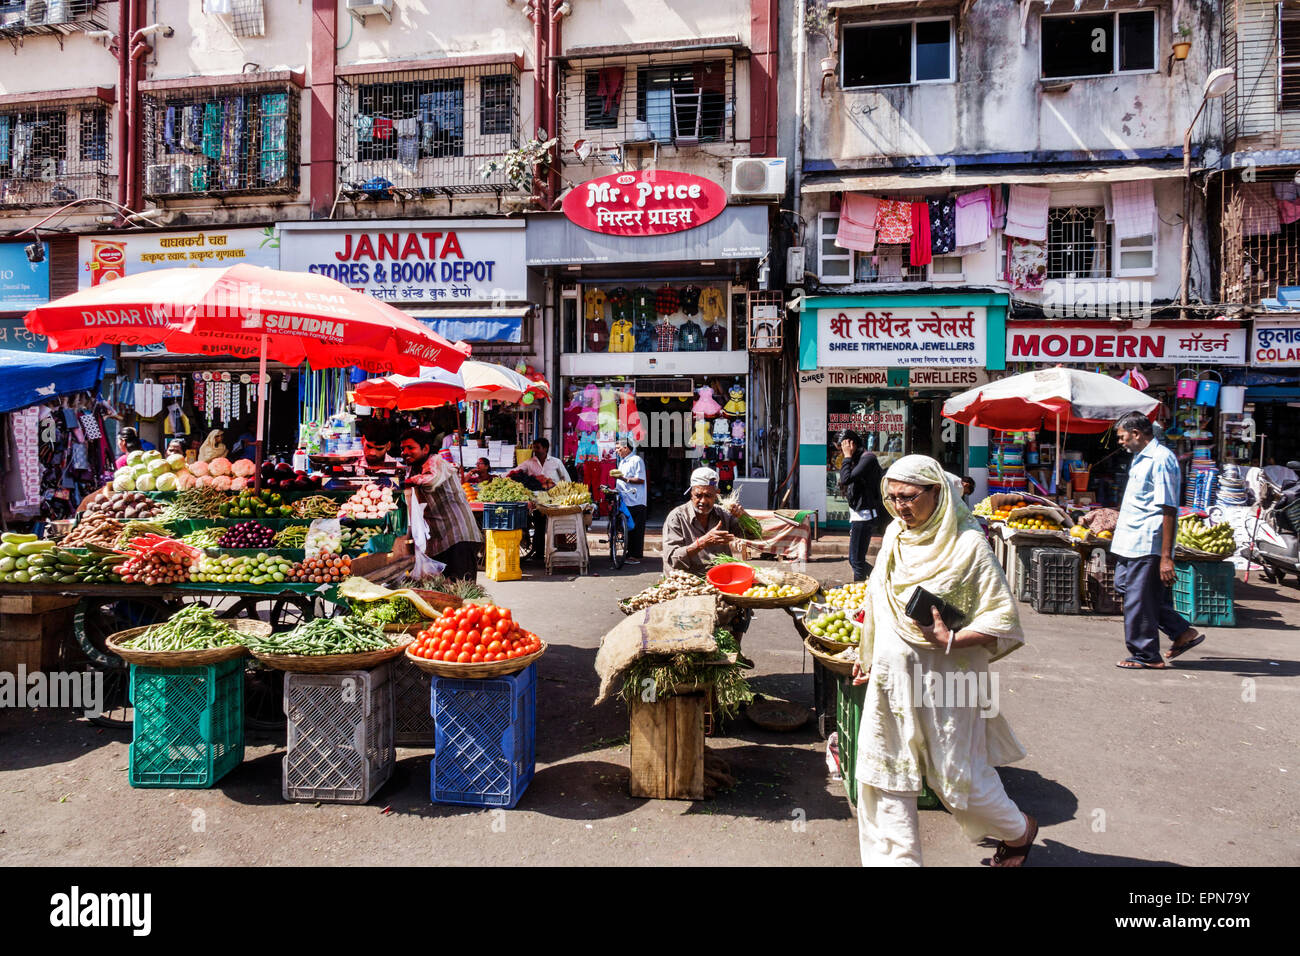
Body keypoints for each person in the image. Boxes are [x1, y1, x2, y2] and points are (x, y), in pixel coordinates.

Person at [851, 454, 1037, 867]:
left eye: (909, 497)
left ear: (938, 492)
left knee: (960, 782)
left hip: (948, 684)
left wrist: (951, 637)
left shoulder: (968, 544)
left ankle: (1019, 830)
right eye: (893, 497)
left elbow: (1003, 619)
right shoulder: (896, 537)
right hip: (890, 681)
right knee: (884, 776)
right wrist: (869, 655)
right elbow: (878, 600)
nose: (901, 506)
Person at [1111, 412, 1204, 668]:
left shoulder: (1161, 459)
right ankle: (1181, 631)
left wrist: (1165, 557)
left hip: (1147, 541)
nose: (1121, 442)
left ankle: (1146, 655)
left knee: (1138, 598)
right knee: (1126, 589)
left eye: (1122, 437)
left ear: (1137, 434)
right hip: (1130, 541)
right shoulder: (1140, 458)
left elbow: (1169, 508)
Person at [399, 428, 482, 582]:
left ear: (425, 448)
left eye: (410, 448)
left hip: (459, 536)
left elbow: (431, 482)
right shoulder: (412, 468)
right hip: (439, 538)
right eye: (402, 448)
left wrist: (404, 483)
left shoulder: (437, 462)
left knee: (462, 587)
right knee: (444, 588)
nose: (405, 452)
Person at [661, 466, 756, 575]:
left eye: (708, 495)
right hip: (685, 580)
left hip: (718, 577)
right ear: (691, 494)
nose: (703, 501)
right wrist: (702, 542)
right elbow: (673, 558)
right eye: (698, 495)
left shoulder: (724, 514)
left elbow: (753, 535)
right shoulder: (676, 517)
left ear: (716, 494)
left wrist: (744, 517)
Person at [837, 429, 883, 582]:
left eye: (843, 447)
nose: (842, 451)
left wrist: (847, 457)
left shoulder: (867, 458)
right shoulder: (858, 459)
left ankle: (861, 589)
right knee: (856, 560)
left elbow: (846, 479)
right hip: (859, 515)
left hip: (864, 516)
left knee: (855, 560)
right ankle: (882, 581)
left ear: (851, 443)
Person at [615, 438, 647, 565]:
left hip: (636, 499)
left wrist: (623, 478)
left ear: (626, 448)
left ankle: (635, 555)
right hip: (625, 499)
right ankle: (628, 552)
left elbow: (641, 479)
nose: (617, 451)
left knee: (637, 529)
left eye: (619, 448)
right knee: (628, 527)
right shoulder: (622, 462)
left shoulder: (637, 460)